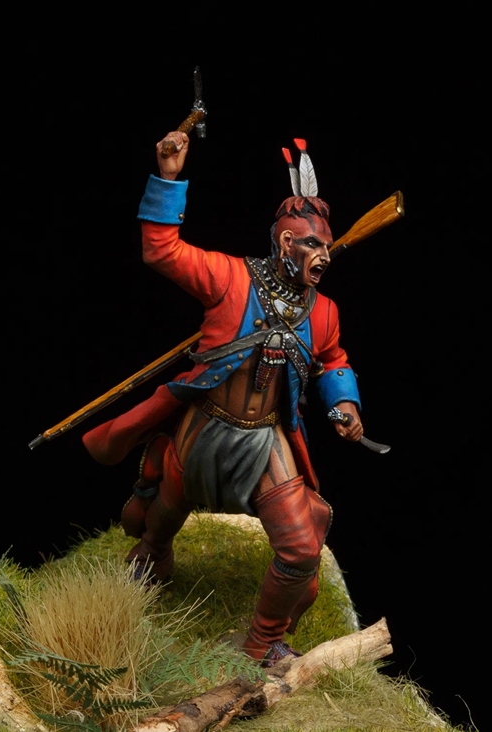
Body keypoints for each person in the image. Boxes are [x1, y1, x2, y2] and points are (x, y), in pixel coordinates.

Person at [82, 130, 364, 666]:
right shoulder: (230, 277)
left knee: (300, 549)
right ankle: (154, 553)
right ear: (286, 243)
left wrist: (344, 404)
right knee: (165, 515)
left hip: (265, 443)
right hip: (205, 429)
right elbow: (162, 250)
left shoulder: (324, 311)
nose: (323, 256)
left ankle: (261, 644)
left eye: (327, 247)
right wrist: (168, 178)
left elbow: (333, 360)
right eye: (312, 245)